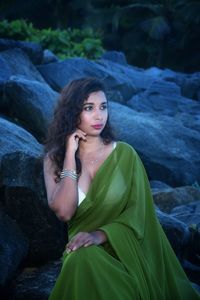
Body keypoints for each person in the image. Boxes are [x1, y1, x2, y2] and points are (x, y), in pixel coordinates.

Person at [43, 77, 199, 300]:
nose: (99, 116)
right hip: (81, 250)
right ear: (71, 111)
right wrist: (69, 154)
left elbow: (139, 215)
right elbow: (64, 212)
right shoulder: (53, 159)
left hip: (125, 251)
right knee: (81, 260)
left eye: (103, 107)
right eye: (89, 108)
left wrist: (100, 235)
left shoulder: (125, 155)